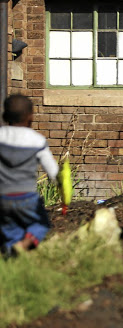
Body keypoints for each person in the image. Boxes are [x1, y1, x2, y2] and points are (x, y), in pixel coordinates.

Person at [0, 94, 59, 254]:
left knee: (10, 230)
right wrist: (61, 184)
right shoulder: (37, 141)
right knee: (41, 224)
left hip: (3, 197)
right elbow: (53, 172)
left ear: (4, 116)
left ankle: (12, 255)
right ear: (30, 117)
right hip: (27, 197)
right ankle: (23, 245)